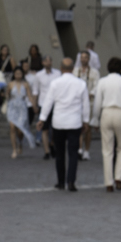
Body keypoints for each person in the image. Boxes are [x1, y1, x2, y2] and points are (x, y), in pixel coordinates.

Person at [43, 56, 89, 191]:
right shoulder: (81, 83)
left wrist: (42, 118)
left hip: (58, 122)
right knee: (73, 153)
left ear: (61, 68)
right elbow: (85, 104)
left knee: (60, 153)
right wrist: (85, 120)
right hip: (74, 122)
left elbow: (48, 102)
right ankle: (71, 181)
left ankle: (61, 181)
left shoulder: (55, 83)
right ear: (73, 69)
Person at [94, 57, 121, 191]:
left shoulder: (102, 81)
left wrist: (95, 119)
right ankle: (119, 177)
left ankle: (108, 182)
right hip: (120, 113)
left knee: (107, 150)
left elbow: (97, 103)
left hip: (106, 113)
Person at [2, 65, 32, 158]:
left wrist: (33, 105)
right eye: (16, 73)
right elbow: (7, 95)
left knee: (20, 130)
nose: (18, 75)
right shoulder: (10, 84)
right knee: (12, 128)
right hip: (12, 106)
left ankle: (20, 143)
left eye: (19, 73)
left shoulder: (26, 84)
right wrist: (5, 94)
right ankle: (14, 149)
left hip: (22, 107)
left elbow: (29, 95)